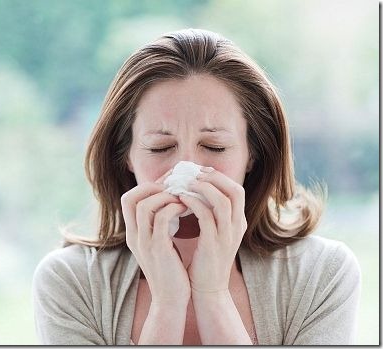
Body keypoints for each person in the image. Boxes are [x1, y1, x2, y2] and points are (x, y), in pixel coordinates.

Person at [32, 28, 361, 345]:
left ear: (253, 154)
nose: (185, 169)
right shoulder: (70, 282)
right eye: (160, 148)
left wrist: (213, 295)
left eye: (215, 147)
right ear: (126, 156)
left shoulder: (321, 274)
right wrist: (168, 303)